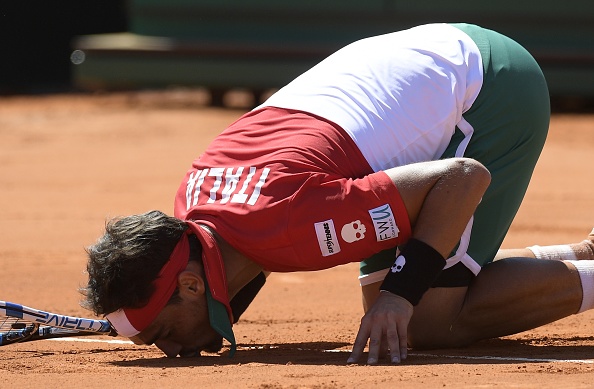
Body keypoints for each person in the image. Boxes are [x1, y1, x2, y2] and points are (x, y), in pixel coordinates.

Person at [82, 22, 594, 364]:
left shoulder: (291, 222)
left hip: (487, 83)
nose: (171, 350)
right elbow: (257, 243)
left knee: (427, 320)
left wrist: (401, 293)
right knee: (396, 303)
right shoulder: (195, 213)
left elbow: (464, 177)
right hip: (407, 62)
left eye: (161, 333)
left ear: (192, 287)